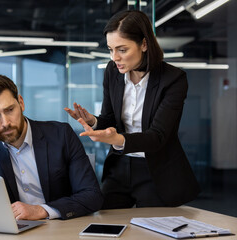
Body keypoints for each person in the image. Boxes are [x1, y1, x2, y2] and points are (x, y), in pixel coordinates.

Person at [64, 10, 200, 209]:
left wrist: (118, 139)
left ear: (144, 44)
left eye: (122, 50)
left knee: (151, 232)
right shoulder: (113, 72)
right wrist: (94, 121)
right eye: (110, 49)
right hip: (119, 166)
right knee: (106, 225)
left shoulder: (173, 79)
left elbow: (158, 136)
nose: (114, 58)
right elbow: (110, 120)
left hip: (155, 170)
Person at [0, 75, 103, 220]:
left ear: (21, 103)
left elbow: (92, 195)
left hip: (61, 227)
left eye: (9, 110)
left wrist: (41, 210)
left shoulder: (61, 135)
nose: (5, 123)